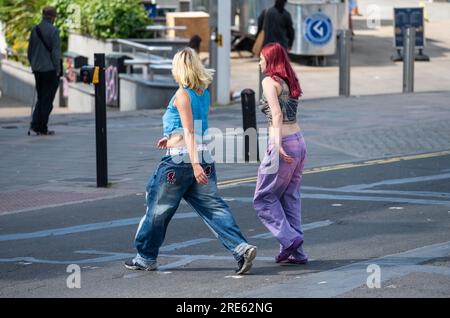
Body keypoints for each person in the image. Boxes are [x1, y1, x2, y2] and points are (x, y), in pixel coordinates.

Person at [125, 47, 257, 274]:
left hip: (181, 161)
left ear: (179, 68)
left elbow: (189, 131)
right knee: (214, 207)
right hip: (202, 155)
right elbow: (193, 125)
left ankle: (146, 257)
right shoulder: (202, 92)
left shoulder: (182, 94)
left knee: (157, 207)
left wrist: (194, 164)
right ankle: (241, 248)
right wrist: (169, 138)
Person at [253, 43, 308, 265]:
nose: (259, 63)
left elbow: (276, 114)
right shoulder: (289, 81)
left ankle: (290, 240)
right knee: (289, 197)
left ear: (270, 60)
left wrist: (276, 144)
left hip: (283, 142)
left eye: (261, 59)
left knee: (263, 197)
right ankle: (298, 253)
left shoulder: (269, 82)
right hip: (299, 142)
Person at [27, 6, 61, 136]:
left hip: (37, 70)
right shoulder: (54, 31)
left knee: (41, 98)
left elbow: (29, 51)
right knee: (47, 100)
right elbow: (56, 54)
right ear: (52, 17)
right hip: (50, 70)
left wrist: (33, 65)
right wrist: (57, 70)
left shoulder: (34, 30)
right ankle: (41, 126)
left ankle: (36, 124)